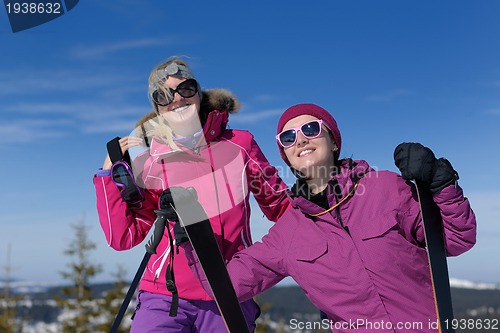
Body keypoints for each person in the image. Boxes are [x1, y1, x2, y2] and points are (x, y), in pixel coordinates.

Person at [171, 103, 477, 332]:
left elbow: (457, 238)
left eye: (311, 129)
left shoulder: (385, 187)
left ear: (333, 140)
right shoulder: (288, 233)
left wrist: (439, 183)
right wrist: (194, 238)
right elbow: (224, 287)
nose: (300, 140)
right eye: (288, 137)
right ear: (286, 156)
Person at [93, 58, 290, 332]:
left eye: (185, 88)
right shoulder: (152, 160)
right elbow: (123, 236)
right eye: (163, 95)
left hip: (227, 289)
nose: (177, 100)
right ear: (157, 108)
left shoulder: (240, 144)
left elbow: (280, 206)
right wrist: (106, 177)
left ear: (198, 92)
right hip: (164, 295)